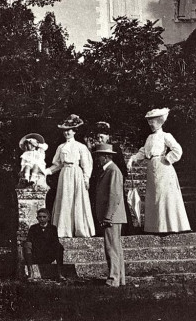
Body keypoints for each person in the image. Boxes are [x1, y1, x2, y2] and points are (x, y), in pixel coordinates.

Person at [127, 108, 191, 234]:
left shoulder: (165, 136)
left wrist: (167, 158)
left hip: (163, 168)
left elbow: (177, 149)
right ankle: (155, 227)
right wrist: (132, 159)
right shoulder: (149, 138)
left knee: (164, 196)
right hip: (151, 168)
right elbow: (143, 152)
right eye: (150, 122)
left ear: (160, 122)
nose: (151, 125)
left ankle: (170, 226)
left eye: (154, 122)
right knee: (154, 196)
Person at [45, 114, 96, 237]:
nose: (66, 133)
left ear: (74, 132)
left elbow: (86, 164)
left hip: (76, 174)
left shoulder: (80, 146)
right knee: (65, 199)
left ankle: (80, 229)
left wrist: (86, 178)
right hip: (65, 174)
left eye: (69, 131)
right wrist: (45, 171)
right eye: (65, 131)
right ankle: (64, 230)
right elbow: (57, 165)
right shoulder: (61, 147)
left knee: (77, 199)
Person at [87, 121, 132, 234]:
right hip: (100, 179)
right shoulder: (96, 148)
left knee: (115, 202)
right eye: (98, 137)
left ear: (108, 136)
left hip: (113, 179)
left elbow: (121, 168)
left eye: (102, 137)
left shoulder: (114, 147)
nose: (100, 139)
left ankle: (124, 229)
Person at [94, 143, 126, 287]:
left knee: (111, 248)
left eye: (99, 156)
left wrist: (108, 216)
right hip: (112, 216)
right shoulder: (108, 170)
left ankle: (114, 279)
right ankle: (119, 279)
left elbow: (114, 195)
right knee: (115, 247)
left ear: (106, 157)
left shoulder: (113, 171)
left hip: (112, 217)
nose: (97, 159)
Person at [23, 208, 65, 282]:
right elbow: (29, 240)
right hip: (36, 255)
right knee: (27, 245)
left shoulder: (52, 228)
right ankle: (31, 273)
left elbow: (55, 242)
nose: (42, 219)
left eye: (44, 217)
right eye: (40, 217)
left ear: (48, 218)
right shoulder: (33, 228)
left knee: (59, 246)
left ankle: (60, 273)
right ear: (37, 218)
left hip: (48, 255)